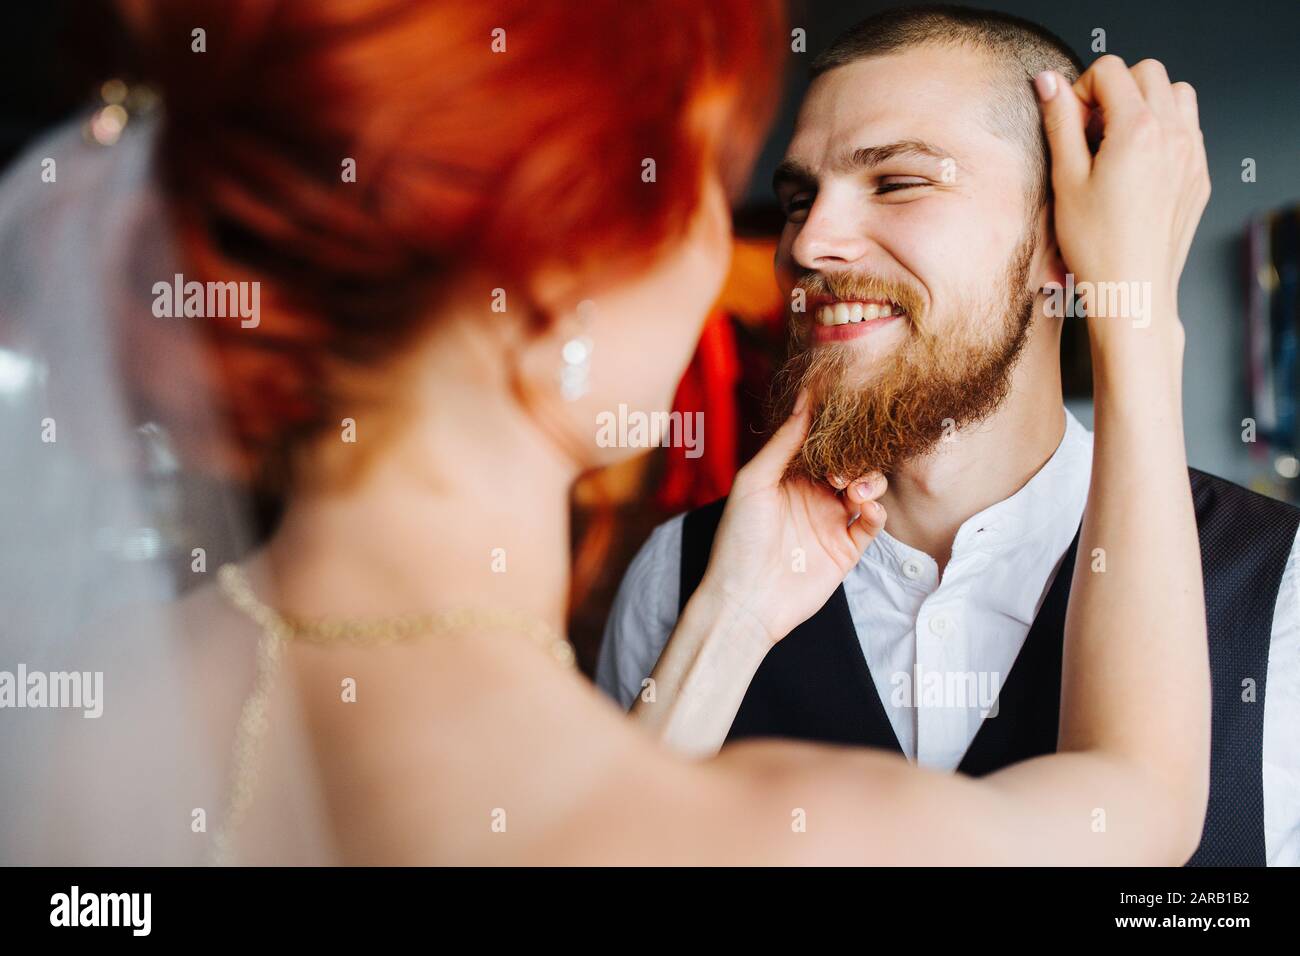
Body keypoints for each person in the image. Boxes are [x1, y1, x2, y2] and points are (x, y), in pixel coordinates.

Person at [0, 0, 1209, 865]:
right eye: (708, 194)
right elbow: (1140, 801)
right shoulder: (785, 828)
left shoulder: (75, 724)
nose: (793, 249)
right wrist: (1136, 314)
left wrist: (726, 622)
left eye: (894, 184)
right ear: (554, 286)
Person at [599, 6, 1299, 866]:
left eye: (898, 182)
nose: (808, 245)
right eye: (796, 199)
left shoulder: (1284, 590)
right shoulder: (678, 582)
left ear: (1063, 239)